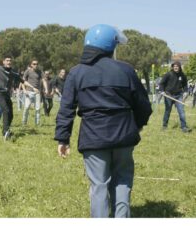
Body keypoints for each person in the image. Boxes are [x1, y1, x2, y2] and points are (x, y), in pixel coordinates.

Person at [55, 24, 152, 218]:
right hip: (124, 136)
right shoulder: (126, 70)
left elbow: (66, 110)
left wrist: (63, 139)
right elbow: (144, 106)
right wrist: (137, 126)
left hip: (93, 138)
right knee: (123, 181)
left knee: (99, 186)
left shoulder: (76, 72)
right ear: (111, 46)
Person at [0, 50, 39, 140]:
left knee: (11, 114)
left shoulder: (13, 73)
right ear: (3, 62)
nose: (9, 62)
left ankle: (5, 130)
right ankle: (6, 131)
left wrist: (33, 88)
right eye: (7, 60)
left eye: (10, 61)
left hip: (7, 96)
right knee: (5, 110)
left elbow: (23, 81)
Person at [159, 61, 191, 132]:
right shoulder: (168, 74)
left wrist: (185, 91)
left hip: (179, 95)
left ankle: (184, 127)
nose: (176, 67)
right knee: (168, 111)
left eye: (177, 66)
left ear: (179, 67)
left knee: (181, 111)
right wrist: (162, 91)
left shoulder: (182, 75)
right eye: (174, 66)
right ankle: (164, 126)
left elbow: (185, 85)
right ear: (173, 67)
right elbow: (161, 83)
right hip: (168, 95)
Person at [22, 60, 48, 126]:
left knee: (38, 108)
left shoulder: (40, 72)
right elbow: (23, 81)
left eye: (37, 64)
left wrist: (46, 89)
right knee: (27, 107)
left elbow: (44, 80)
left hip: (37, 92)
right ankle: (24, 122)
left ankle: (37, 123)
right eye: (34, 64)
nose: (35, 65)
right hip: (29, 91)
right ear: (31, 64)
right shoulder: (28, 71)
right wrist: (24, 90)